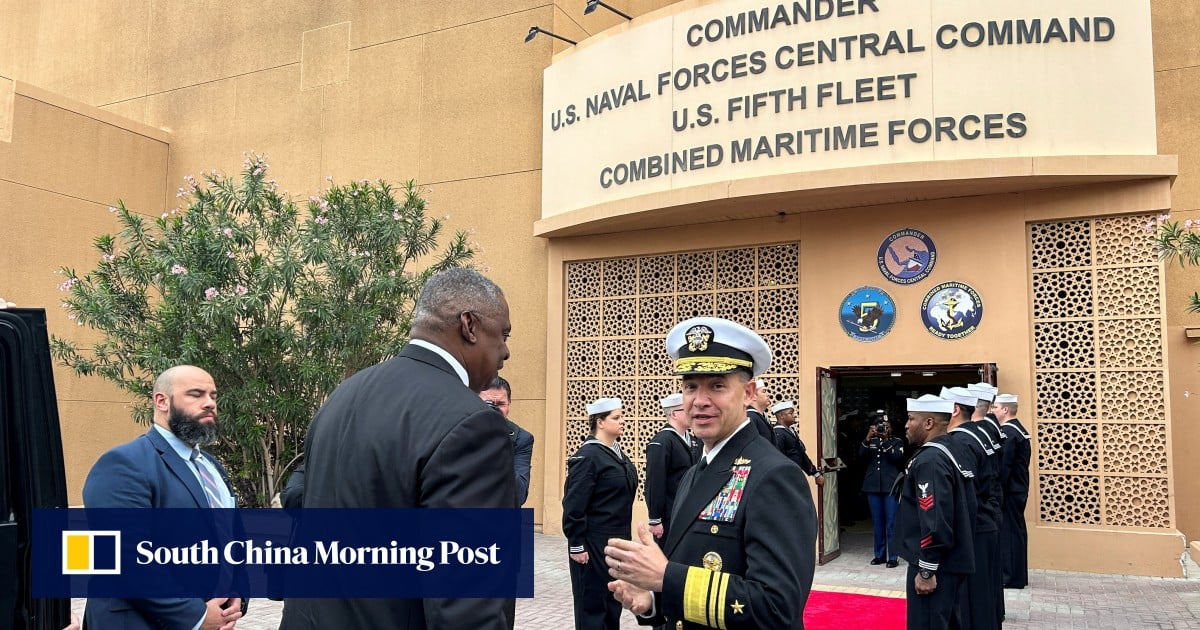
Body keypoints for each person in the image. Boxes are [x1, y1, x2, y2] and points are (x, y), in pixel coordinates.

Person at [281, 267, 516, 630]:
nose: (505, 352)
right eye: (502, 335)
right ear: (469, 326)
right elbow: (466, 601)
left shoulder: (345, 394)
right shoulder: (472, 423)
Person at [605, 317, 817, 629]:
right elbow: (687, 572)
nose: (700, 401)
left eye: (717, 386)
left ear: (747, 393)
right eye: (691, 387)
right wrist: (652, 602)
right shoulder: (694, 474)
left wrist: (666, 578)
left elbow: (777, 608)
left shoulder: (774, 476)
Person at [82, 365, 243, 630]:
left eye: (213, 396)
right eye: (196, 394)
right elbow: (126, 557)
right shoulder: (123, 463)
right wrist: (197, 617)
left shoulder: (212, 467)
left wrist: (235, 594)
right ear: (161, 401)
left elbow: (228, 536)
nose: (209, 404)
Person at [895, 394, 975, 630]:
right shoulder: (952, 450)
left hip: (935, 565)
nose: (906, 425)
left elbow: (935, 518)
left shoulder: (930, 460)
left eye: (911, 419)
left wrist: (927, 570)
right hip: (949, 563)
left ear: (928, 423)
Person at [563, 398, 638, 630]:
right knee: (592, 605)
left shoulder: (617, 455)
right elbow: (574, 504)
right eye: (616, 417)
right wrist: (577, 544)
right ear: (600, 422)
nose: (623, 421)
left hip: (617, 541)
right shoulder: (588, 456)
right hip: (593, 542)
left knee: (612, 602)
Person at [941, 386, 998, 630]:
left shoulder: (960, 440)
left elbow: (966, 491)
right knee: (983, 594)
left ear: (954, 410)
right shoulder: (978, 433)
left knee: (971, 599)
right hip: (987, 518)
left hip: (974, 524)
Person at [644, 393, 698, 548]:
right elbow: (655, 482)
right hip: (670, 513)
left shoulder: (692, 440)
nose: (692, 413)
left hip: (687, 510)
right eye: (687, 409)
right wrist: (655, 519)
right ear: (674, 414)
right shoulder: (662, 441)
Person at [993, 393, 1031, 589]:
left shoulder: (1008, 432)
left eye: (996, 407)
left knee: (1008, 532)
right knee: (1016, 531)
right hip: (1018, 488)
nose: (993, 411)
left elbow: (1004, 467)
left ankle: (1008, 575)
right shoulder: (1019, 429)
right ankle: (1017, 574)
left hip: (1010, 491)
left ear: (1006, 410)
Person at [481, 375, 535, 506]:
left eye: (500, 404)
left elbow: (520, 494)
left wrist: (497, 443)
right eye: (487, 404)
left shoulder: (521, 438)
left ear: (509, 403)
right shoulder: (461, 431)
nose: (494, 410)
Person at [859, 411, 904, 568]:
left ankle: (893, 556)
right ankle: (879, 555)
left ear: (891, 427)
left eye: (885, 426)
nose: (882, 428)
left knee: (891, 523)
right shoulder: (870, 440)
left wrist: (885, 441)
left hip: (890, 487)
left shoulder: (897, 442)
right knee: (878, 524)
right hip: (873, 486)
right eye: (879, 426)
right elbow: (860, 456)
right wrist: (868, 437)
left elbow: (897, 458)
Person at [770, 400, 824, 490]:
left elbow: (801, 454)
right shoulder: (778, 433)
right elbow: (778, 458)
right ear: (782, 416)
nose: (794, 415)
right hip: (786, 478)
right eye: (791, 413)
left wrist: (816, 474)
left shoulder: (791, 431)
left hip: (795, 475)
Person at [746, 378, 777, 446]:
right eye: (764, 391)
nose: (768, 394)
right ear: (753, 396)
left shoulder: (762, 417)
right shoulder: (750, 417)